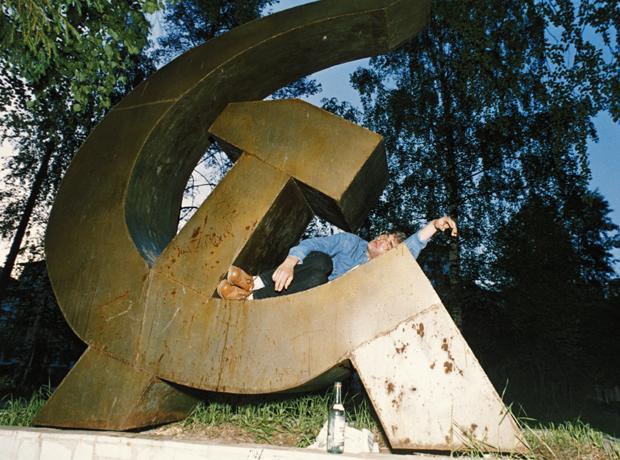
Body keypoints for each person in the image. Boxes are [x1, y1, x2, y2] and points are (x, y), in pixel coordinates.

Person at [217, 216, 457, 300]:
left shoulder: (379, 273)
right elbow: (313, 244)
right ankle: (252, 284)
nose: (382, 240)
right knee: (321, 261)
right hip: (301, 285)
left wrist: (433, 227)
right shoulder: (352, 242)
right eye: (384, 236)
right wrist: (289, 263)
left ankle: (250, 298)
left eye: (388, 245)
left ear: (388, 258)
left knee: (319, 281)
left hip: (324, 308)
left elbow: (411, 248)